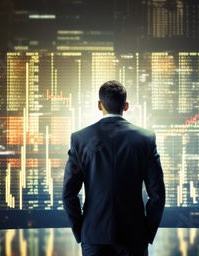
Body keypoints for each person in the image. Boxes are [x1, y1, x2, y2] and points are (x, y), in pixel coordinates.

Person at [62, 80, 166, 256]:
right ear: (125, 106)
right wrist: (146, 233)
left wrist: (82, 232)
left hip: (93, 236)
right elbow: (157, 195)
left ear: (99, 105)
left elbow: (68, 194)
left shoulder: (80, 139)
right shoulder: (146, 139)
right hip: (134, 237)